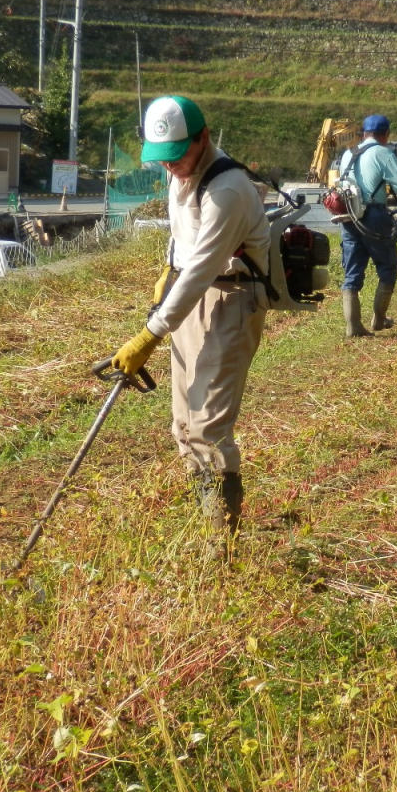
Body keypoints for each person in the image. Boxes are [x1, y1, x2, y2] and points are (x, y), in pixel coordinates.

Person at [110, 95, 271, 542]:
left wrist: (149, 335)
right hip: (193, 297)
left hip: (231, 300)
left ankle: (221, 546)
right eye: (162, 159)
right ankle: (208, 522)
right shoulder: (177, 175)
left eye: (178, 155)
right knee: (183, 423)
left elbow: (202, 267)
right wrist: (166, 275)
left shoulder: (227, 190)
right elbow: (181, 243)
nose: (171, 167)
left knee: (207, 427)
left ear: (203, 137)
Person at [336, 114, 397, 338]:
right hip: (374, 215)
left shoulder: (348, 153)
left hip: (349, 215)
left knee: (352, 271)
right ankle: (379, 319)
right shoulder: (383, 152)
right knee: (388, 266)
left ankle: (353, 326)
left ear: (364, 134)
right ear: (385, 134)